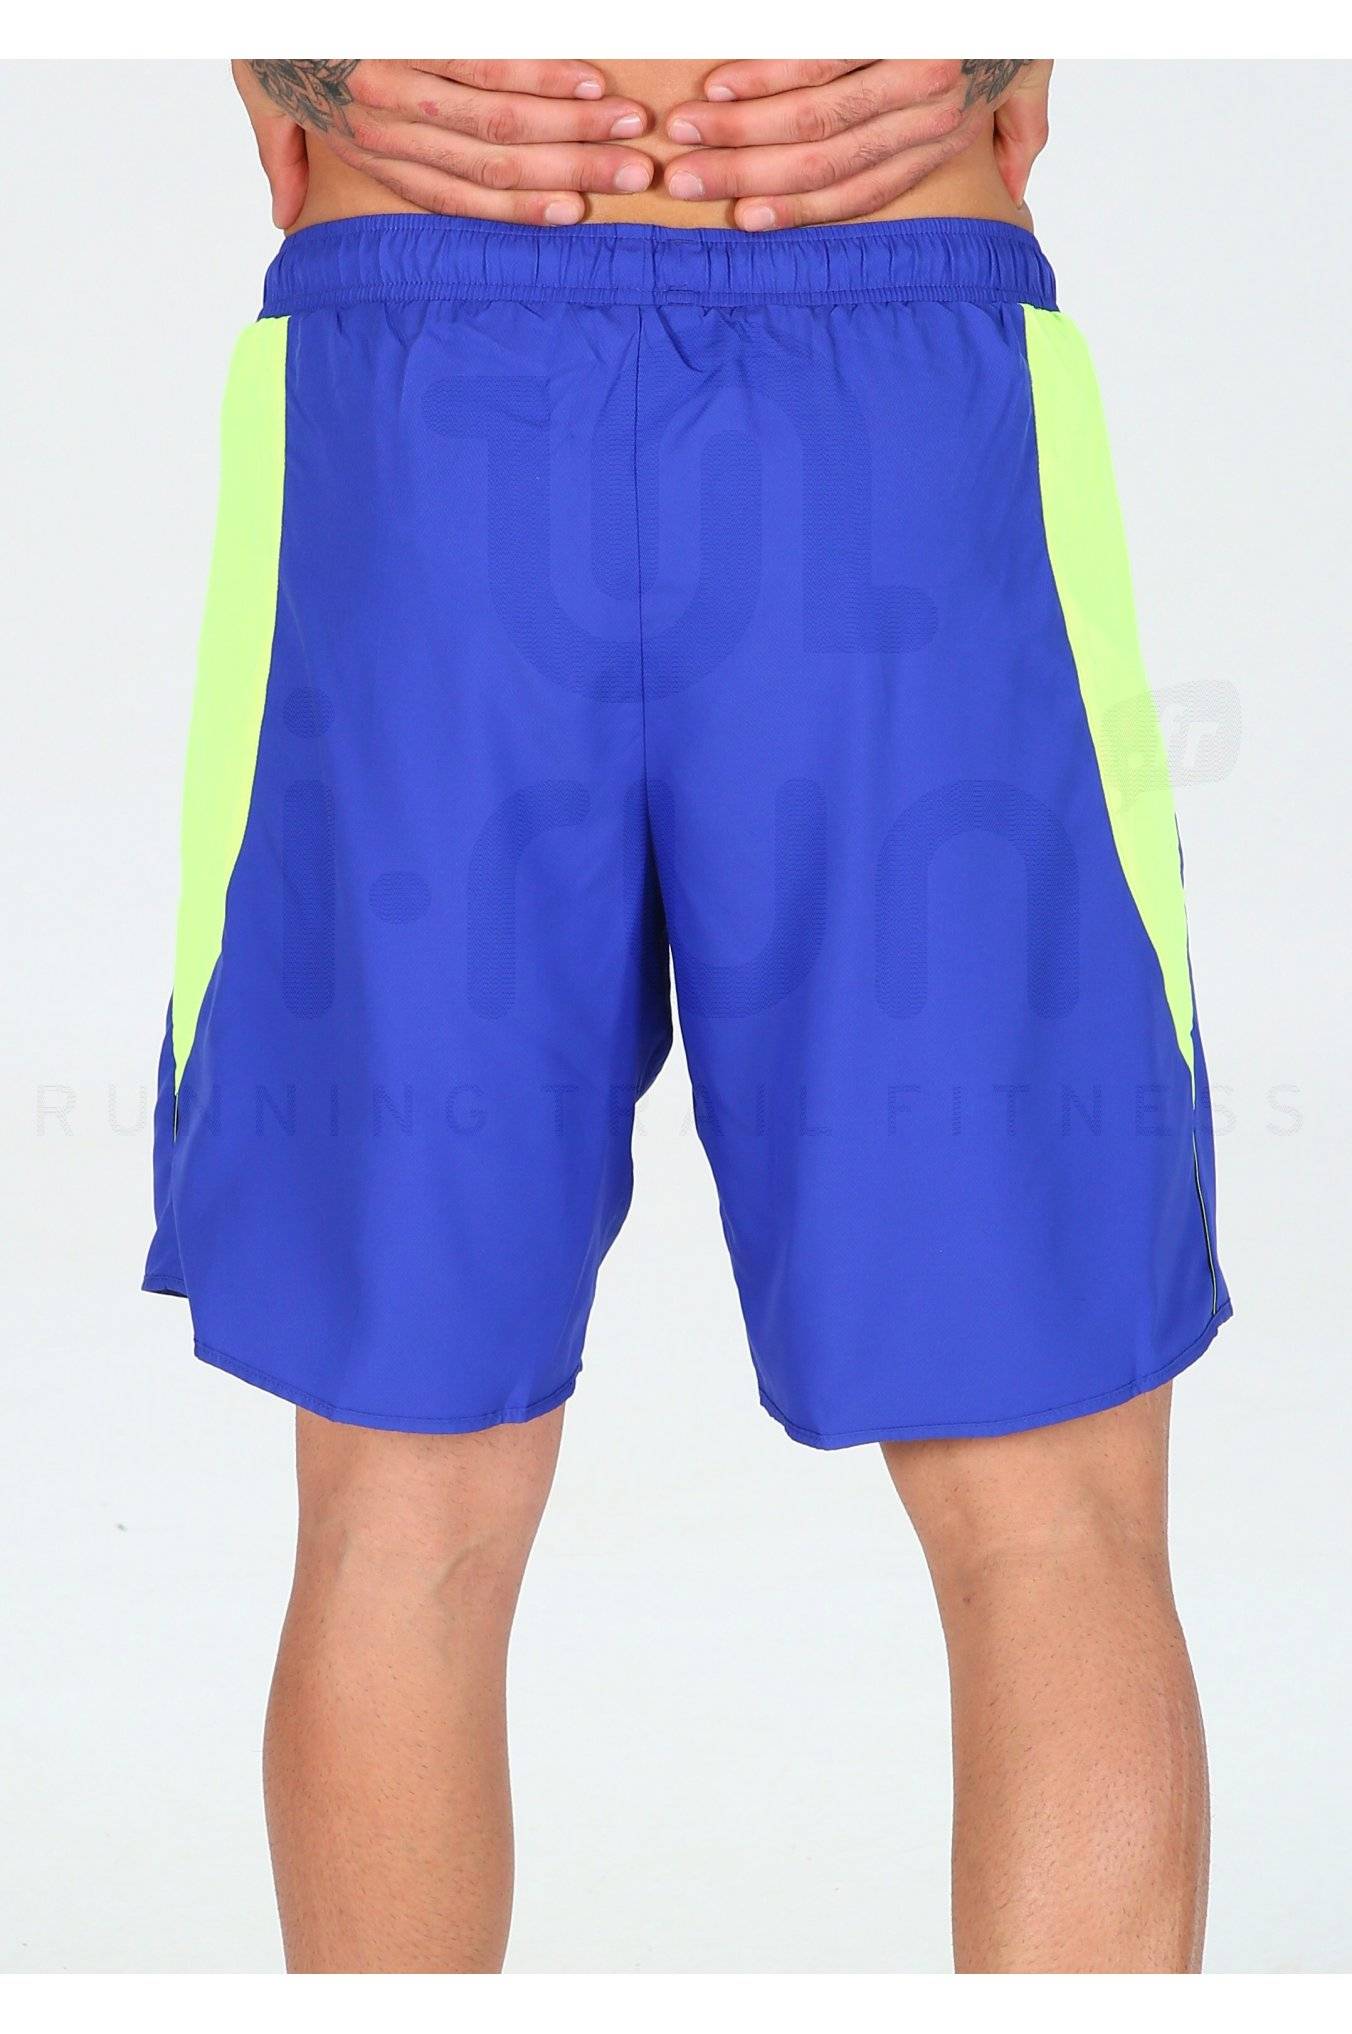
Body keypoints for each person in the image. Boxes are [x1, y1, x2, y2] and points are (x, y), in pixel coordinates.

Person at [145, 58, 1229, 1973]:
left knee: (403, 1505)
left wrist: (294, 56)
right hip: (884, 341)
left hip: (430, 357)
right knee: (1047, 1504)